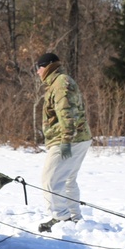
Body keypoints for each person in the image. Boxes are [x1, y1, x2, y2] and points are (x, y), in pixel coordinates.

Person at [35, 53, 91, 232]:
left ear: (48, 66)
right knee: (67, 179)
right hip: (78, 138)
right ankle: (74, 218)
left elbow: (67, 112)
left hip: (67, 140)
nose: (37, 72)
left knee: (50, 179)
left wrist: (66, 140)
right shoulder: (60, 82)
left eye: (39, 67)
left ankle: (61, 218)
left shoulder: (60, 83)